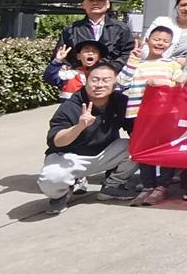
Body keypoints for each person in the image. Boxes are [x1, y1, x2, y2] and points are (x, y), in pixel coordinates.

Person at [37, 63, 139, 213]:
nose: (100, 85)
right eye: (95, 80)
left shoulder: (120, 101)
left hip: (104, 154)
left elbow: (135, 129)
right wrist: (79, 126)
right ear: (86, 80)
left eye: (106, 80)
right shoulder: (71, 105)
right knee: (51, 179)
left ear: (115, 83)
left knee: (138, 146)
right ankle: (61, 195)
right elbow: (56, 141)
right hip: (69, 158)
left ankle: (112, 186)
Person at [118, 18, 187, 206]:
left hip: (166, 115)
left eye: (165, 41)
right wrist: (132, 61)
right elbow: (121, 82)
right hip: (139, 115)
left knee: (165, 150)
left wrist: (168, 82)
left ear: (170, 45)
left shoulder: (171, 64)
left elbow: (181, 81)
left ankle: (162, 186)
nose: (160, 43)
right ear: (148, 40)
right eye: (157, 39)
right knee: (144, 150)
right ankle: (147, 185)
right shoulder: (137, 64)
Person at [55, 0, 135, 70]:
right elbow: (59, 54)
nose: (95, 3)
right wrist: (68, 67)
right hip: (79, 75)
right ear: (83, 5)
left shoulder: (121, 29)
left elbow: (127, 53)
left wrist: (111, 69)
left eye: (100, 0)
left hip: (111, 75)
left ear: (108, 5)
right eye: (91, 0)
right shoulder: (72, 29)